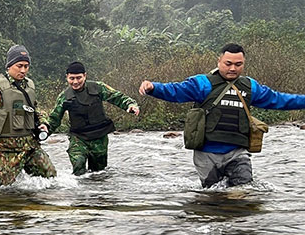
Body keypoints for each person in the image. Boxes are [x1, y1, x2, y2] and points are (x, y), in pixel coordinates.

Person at [139, 43, 305, 187]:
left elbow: (279, 100)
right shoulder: (202, 83)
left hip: (237, 152)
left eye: (238, 64)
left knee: (243, 191)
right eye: (228, 63)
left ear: (244, 64)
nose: (233, 68)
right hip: (206, 154)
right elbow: (175, 91)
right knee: (214, 197)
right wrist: (153, 87)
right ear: (219, 62)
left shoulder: (249, 86)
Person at [0, 45, 57, 186]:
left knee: (50, 178)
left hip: (31, 145)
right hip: (8, 149)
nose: (23, 70)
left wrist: (43, 123)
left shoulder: (30, 85)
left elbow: (34, 109)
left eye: (26, 66)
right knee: (4, 189)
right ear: (9, 66)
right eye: (19, 66)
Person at [41, 62, 140, 176]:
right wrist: (44, 132)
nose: (75, 82)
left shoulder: (98, 87)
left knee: (98, 174)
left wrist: (130, 105)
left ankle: (95, 193)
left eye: (79, 78)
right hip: (78, 138)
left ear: (85, 76)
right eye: (71, 78)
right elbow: (54, 119)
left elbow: (117, 97)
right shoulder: (64, 97)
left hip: (99, 137)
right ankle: (79, 193)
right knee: (78, 165)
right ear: (67, 78)